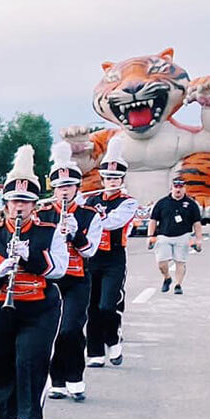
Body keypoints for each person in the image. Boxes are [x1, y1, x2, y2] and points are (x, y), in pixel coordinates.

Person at [0, 146, 67, 419]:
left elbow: (59, 268)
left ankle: (30, 418)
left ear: (34, 205)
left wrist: (30, 258)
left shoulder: (50, 231)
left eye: (25, 201)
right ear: (5, 204)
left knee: (31, 358)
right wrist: (0, 270)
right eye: (14, 201)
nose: (19, 207)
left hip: (39, 307)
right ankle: (8, 414)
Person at [40, 141, 100, 402]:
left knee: (70, 329)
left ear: (77, 188)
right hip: (50, 279)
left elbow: (90, 251)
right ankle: (57, 380)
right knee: (52, 330)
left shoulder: (89, 215)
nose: (63, 192)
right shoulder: (42, 213)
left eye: (68, 187)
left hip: (76, 279)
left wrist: (74, 233)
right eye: (59, 187)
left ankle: (75, 376)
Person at [83, 141, 140, 368]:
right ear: (102, 180)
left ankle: (113, 339)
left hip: (114, 259)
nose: (112, 182)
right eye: (108, 178)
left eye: (116, 178)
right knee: (91, 307)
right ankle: (95, 352)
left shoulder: (128, 202)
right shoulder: (91, 200)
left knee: (108, 305)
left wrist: (93, 218)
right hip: (92, 258)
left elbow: (111, 223)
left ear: (122, 180)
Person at [148, 180, 205, 295]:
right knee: (161, 262)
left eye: (181, 187)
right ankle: (167, 277)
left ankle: (178, 285)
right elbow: (153, 220)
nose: (178, 189)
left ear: (184, 189)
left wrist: (198, 239)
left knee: (180, 262)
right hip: (164, 235)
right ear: (171, 188)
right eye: (176, 187)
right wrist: (150, 236)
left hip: (183, 236)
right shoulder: (162, 203)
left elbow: (197, 223)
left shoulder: (191, 204)